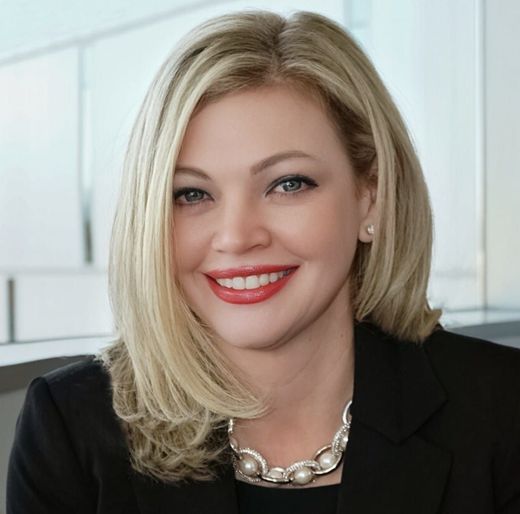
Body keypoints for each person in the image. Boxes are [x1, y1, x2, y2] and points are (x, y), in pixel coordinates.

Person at [6, 9, 520, 514]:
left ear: (371, 197)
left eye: (288, 184)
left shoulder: (502, 409)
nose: (236, 236)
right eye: (190, 194)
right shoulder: (71, 425)